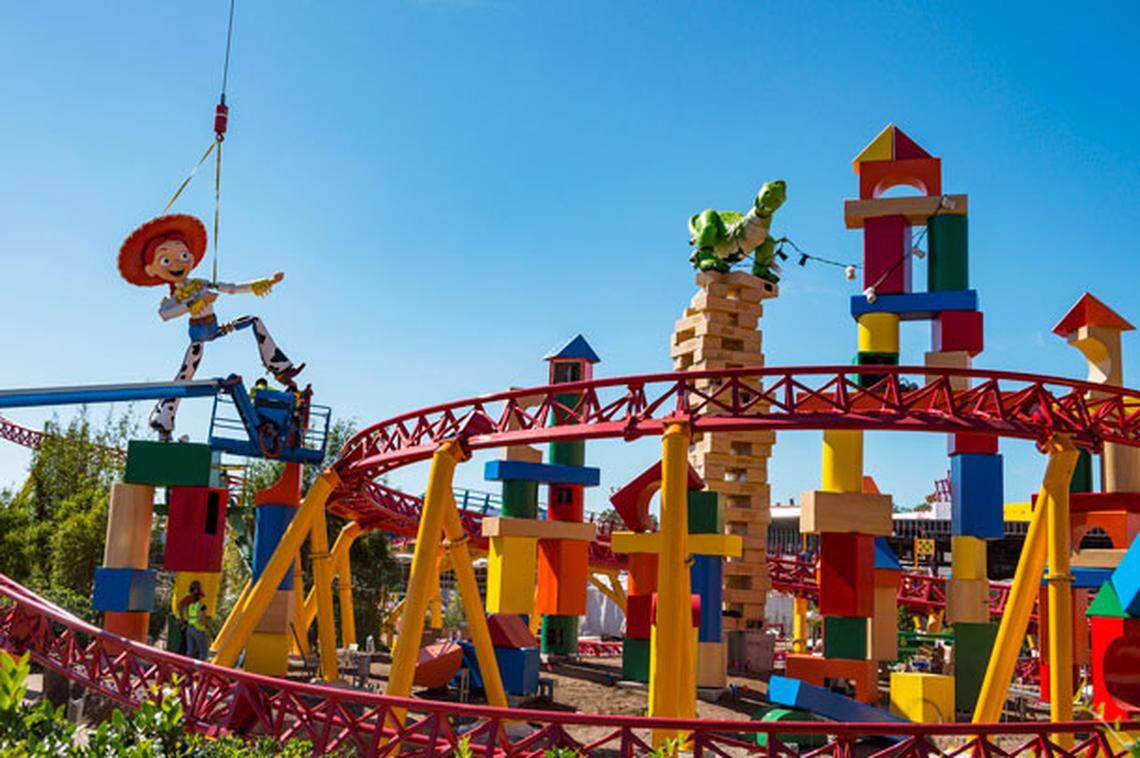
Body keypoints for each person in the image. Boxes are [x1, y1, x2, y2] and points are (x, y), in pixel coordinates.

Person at [117, 214, 305, 441]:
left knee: (253, 320)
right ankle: (164, 416)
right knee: (185, 373)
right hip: (198, 335)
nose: (177, 263)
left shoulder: (201, 284)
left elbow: (233, 288)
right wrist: (196, 302)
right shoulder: (178, 295)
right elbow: (165, 314)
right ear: (152, 270)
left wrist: (265, 282)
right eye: (166, 260)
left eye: (183, 255)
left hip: (216, 329)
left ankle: (281, 368)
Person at [178, 580, 211, 660]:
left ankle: (187, 669)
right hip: (198, 629)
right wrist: (207, 626)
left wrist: (183, 621)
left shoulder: (190, 605)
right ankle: (200, 671)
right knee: (203, 652)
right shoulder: (199, 605)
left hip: (189, 627)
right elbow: (201, 619)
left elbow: (181, 608)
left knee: (190, 651)